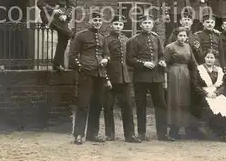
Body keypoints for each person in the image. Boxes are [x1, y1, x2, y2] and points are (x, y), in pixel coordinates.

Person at [126, 15, 174, 142]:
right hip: (141, 78)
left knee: (161, 105)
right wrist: (143, 63)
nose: (147, 25)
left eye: (149, 23)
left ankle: (162, 134)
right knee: (141, 106)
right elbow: (130, 59)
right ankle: (141, 133)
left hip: (157, 77)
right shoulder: (133, 40)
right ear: (140, 25)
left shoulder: (156, 38)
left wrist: (162, 61)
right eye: (145, 23)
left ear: (152, 25)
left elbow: (162, 55)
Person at [68, 11, 110, 145]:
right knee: (83, 104)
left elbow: (107, 54)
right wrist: (81, 68)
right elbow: (72, 56)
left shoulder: (103, 38)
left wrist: (105, 60)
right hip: (86, 74)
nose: (97, 22)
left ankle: (92, 134)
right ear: (89, 22)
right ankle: (79, 134)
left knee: (97, 105)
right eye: (95, 20)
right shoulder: (81, 36)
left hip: (100, 74)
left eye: (99, 20)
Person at [102, 14, 140, 143]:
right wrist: (106, 78)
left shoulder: (125, 39)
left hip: (124, 78)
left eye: (120, 24)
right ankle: (109, 134)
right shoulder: (105, 40)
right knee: (108, 106)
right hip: (111, 78)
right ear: (111, 25)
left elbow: (129, 58)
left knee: (128, 106)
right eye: (116, 24)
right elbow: (103, 60)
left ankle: (130, 135)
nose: (118, 26)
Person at [193, 49, 226, 143]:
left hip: (215, 93)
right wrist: (206, 94)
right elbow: (196, 85)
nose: (209, 60)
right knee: (217, 108)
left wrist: (216, 93)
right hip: (204, 94)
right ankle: (223, 133)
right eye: (208, 57)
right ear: (204, 58)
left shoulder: (218, 70)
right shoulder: (199, 69)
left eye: (212, 58)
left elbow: (222, 86)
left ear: (215, 59)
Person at [37, 0, 75, 71]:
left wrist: (66, 15)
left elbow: (71, 4)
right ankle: (72, 34)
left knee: (63, 38)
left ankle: (57, 64)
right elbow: (40, 3)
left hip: (61, 17)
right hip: (48, 15)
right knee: (67, 33)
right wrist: (53, 9)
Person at [164, 27, 200, 140]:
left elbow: (193, 63)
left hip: (185, 75)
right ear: (175, 36)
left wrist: (202, 71)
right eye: (180, 36)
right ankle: (173, 130)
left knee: (184, 100)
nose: (182, 38)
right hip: (174, 75)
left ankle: (183, 128)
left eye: (184, 36)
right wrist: (165, 80)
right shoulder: (169, 47)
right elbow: (165, 64)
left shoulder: (188, 46)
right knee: (175, 100)